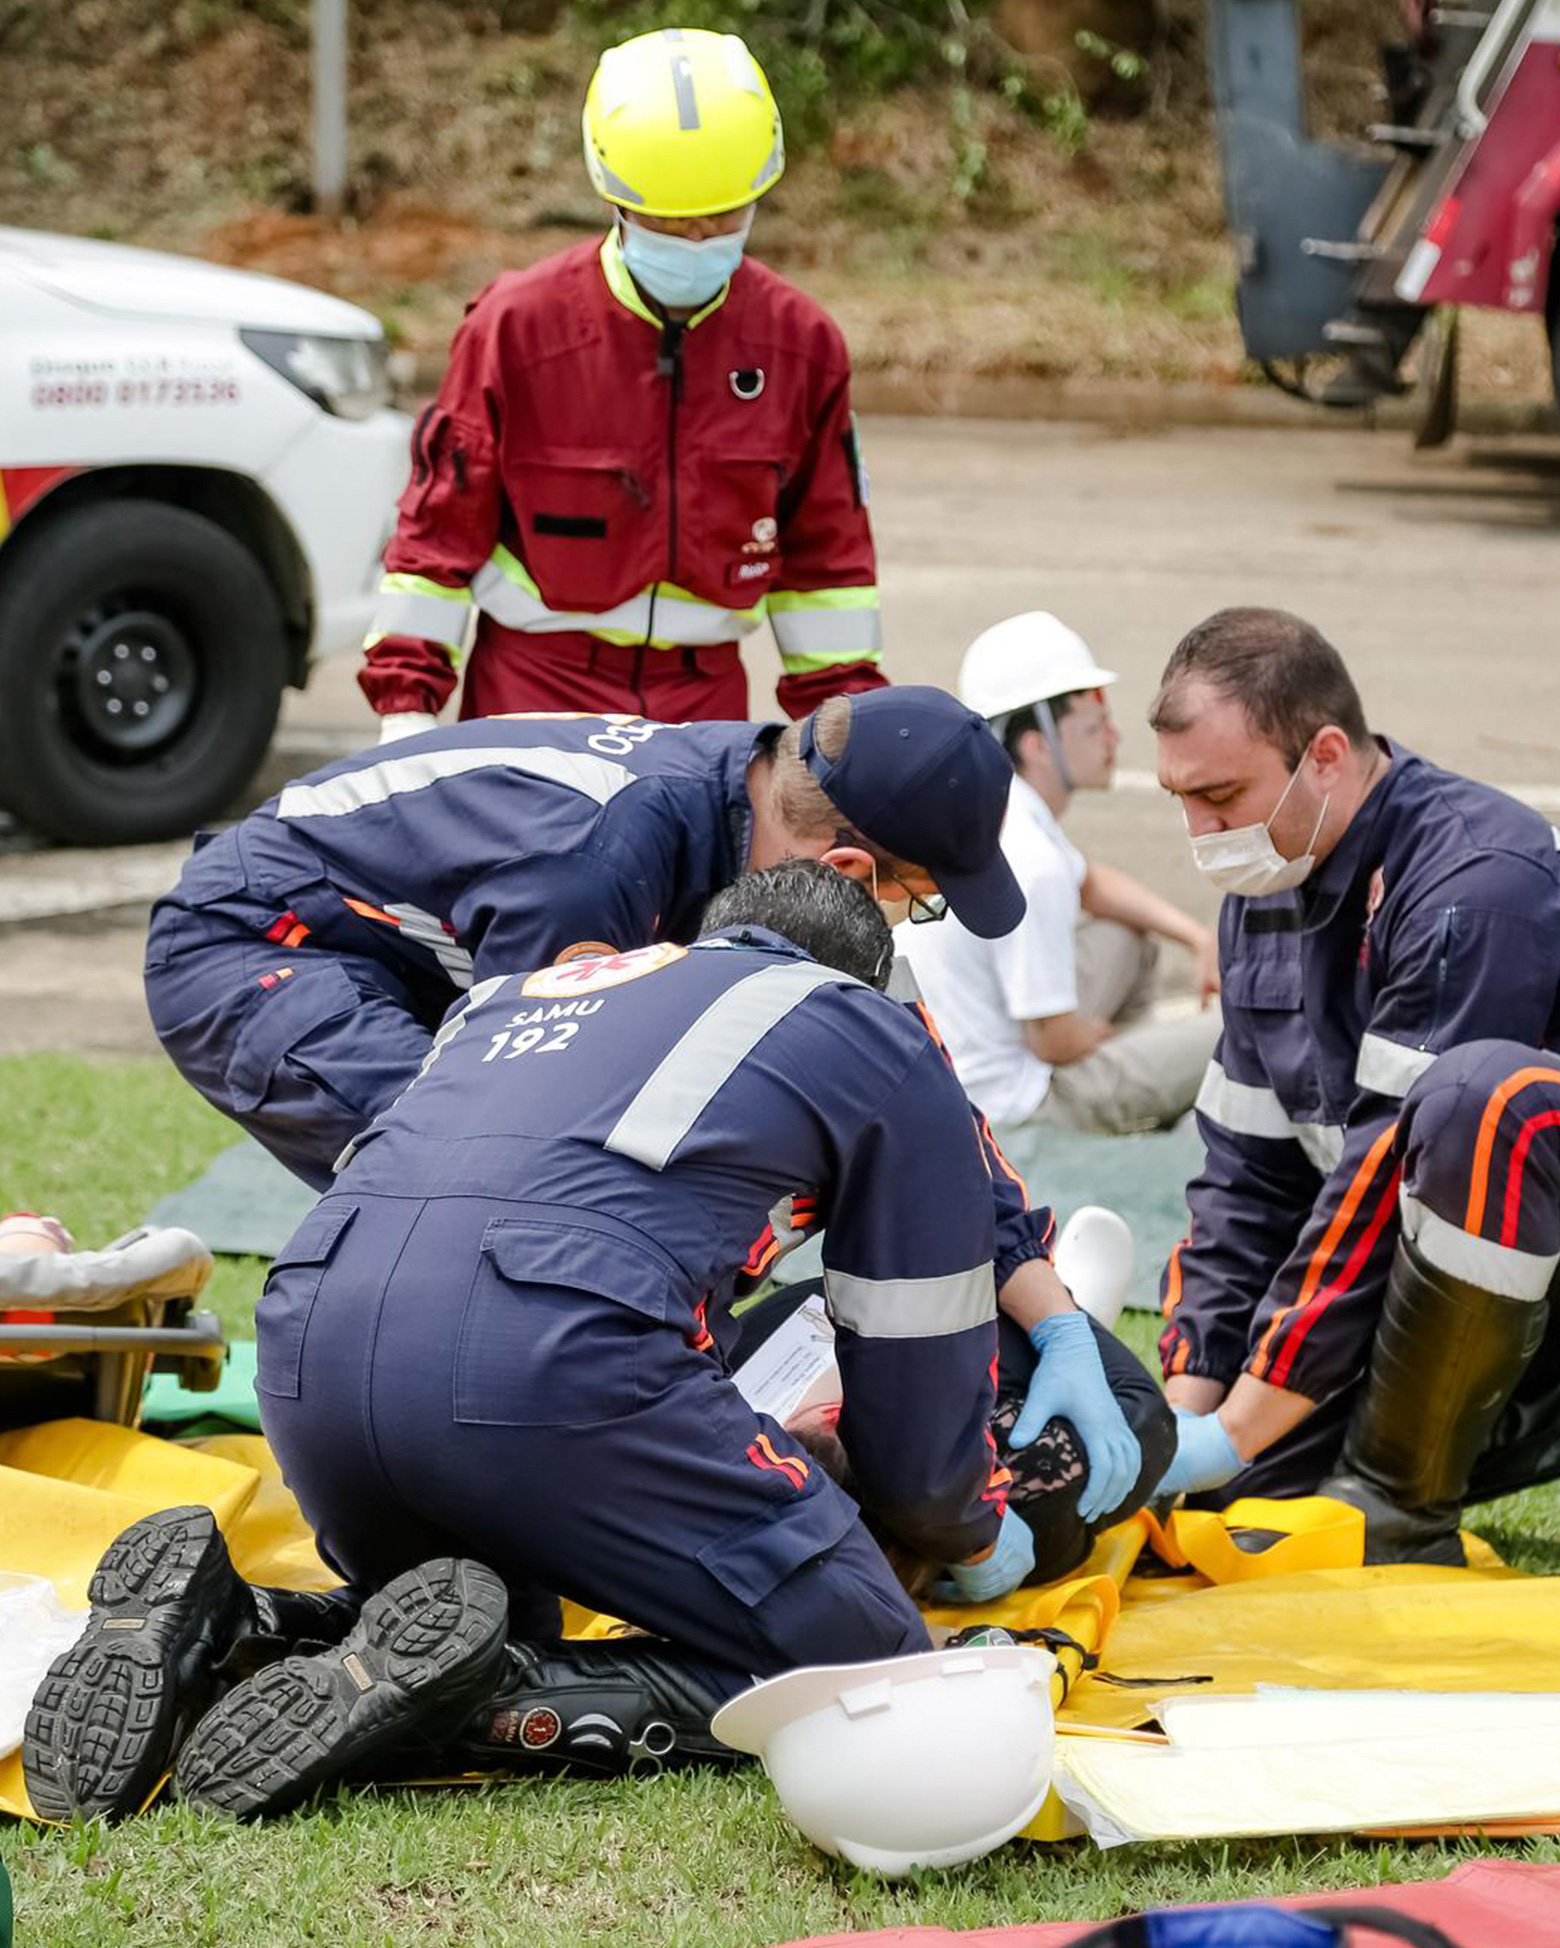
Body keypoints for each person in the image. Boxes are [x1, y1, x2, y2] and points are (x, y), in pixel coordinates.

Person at [32, 865, 1170, 1821]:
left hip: (313, 1350)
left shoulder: (529, 995)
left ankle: (241, 1630)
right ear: (866, 977)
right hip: (547, 1350)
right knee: (865, 1654)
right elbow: (919, 1363)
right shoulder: (864, 1027)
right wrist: (964, 1523)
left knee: (469, 1592)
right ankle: (480, 1702)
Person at [143, 688, 1018, 1192]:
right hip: (256, 943)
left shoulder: (760, 796)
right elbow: (535, 1107)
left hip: (401, 946)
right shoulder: (593, 868)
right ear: (852, 869)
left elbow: (909, 1071)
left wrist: (1040, 1292)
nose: (905, 925)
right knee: (472, 1176)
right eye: (923, 901)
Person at [1146, 607, 1560, 1563]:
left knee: (1477, 1099)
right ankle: (1341, 1470)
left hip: (1528, 1294)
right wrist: (1187, 1412)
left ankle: (1396, 1502)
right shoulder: (1265, 895)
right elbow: (1242, 1187)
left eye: (1220, 796)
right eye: (1179, 799)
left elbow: (1387, 1167)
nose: (1200, 832)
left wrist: (1245, 1422)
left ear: (1325, 755)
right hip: (1426, 1293)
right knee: (1223, 1509)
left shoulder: (1474, 882)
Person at [361, 27, 885, 740]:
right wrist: (407, 709)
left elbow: (826, 571)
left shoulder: (801, 347)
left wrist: (842, 738)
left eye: (723, 214)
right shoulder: (518, 329)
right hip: (532, 696)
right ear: (615, 195)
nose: (699, 237)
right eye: (672, 219)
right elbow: (438, 533)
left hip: (704, 712)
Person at [900, 612, 1221, 1148]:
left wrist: (1197, 937)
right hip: (1016, 1104)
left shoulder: (1002, 809)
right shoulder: (1034, 861)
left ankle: (1139, 1078)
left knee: (1128, 937)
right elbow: (1050, 1041)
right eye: (1095, 728)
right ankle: (1130, 1105)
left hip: (957, 1067)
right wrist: (1104, 1042)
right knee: (1239, 1031)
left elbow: (1090, 885)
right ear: (1039, 744)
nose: (1115, 738)